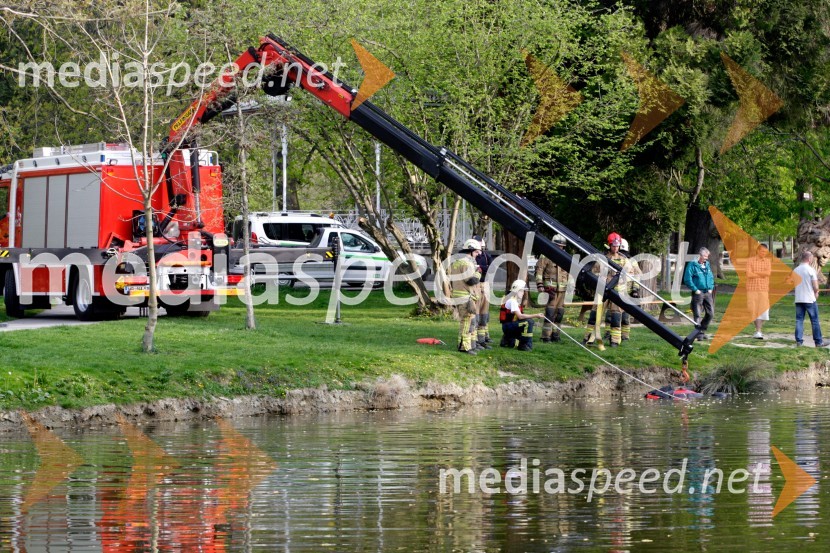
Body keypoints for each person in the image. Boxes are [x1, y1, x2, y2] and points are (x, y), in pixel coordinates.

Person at [584, 232, 631, 348]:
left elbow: (630, 275)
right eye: (613, 245)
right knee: (594, 316)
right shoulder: (602, 258)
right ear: (609, 245)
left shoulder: (624, 260)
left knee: (615, 317)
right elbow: (593, 271)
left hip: (616, 293)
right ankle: (588, 338)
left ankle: (614, 341)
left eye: (617, 245)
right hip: (602, 291)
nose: (615, 248)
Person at [450, 238, 483, 355]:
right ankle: (464, 347)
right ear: (470, 250)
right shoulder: (466, 263)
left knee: (469, 322)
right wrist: (479, 272)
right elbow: (471, 281)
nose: (478, 254)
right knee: (466, 323)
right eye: (476, 252)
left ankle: (470, 345)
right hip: (465, 297)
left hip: (459, 295)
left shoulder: (456, 262)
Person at [535, 234, 569, 342]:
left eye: (562, 246)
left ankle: (556, 335)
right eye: (558, 246)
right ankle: (546, 336)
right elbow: (539, 270)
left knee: (559, 314)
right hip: (550, 290)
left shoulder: (565, 257)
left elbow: (569, 273)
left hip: (562, 290)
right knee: (550, 313)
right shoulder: (545, 255)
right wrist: (540, 285)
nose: (560, 248)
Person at [792, 250, 829, 347]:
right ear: (809, 259)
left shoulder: (796, 270)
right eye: (812, 258)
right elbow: (816, 286)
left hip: (799, 298)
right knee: (815, 320)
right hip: (809, 298)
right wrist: (816, 292)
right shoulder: (811, 270)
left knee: (799, 320)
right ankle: (818, 341)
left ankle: (799, 341)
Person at [500, 279, 544, 351]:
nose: (523, 293)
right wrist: (536, 315)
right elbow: (520, 316)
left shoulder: (513, 299)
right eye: (522, 291)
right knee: (528, 322)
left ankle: (507, 339)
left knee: (529, 322)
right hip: (508, 326)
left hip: (509, 325)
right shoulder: (512, 301)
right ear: (517, 290)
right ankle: (524, 345)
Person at [683, 247, 715, 341]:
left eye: (707, 256)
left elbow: (711, 277)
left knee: (711, 313)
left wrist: (711, 287)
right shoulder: (692, 265)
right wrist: (695, 289)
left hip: (708, 292)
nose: (706, 258)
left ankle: (702, 330)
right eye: (705, 256)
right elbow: (687, 279)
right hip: (698, 292)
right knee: (697, 314)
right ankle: (699, 334)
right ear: (699, 255)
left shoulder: (707, 264)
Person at [747, 244, 771, 339]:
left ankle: (758, 331)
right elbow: (748, 274)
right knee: (753, 309)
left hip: (763, 289)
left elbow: (768, 273)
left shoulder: (767, 261)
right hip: (752, 289)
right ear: (757, 250)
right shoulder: (750, 260)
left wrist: (755, 273)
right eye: (762, 251)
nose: (763, 253)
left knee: (764, 310)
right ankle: (757, 331)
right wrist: (761, 274)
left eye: (765, 252)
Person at [473, 234, 494, 348]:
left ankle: (482, 339)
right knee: (476, 313)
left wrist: (480, 267)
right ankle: (475, 339)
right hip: (476, 285)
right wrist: (482, 266)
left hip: (485, 285)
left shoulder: (486, 256)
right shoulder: (470, 256)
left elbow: (492, 268)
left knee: (484, 314)